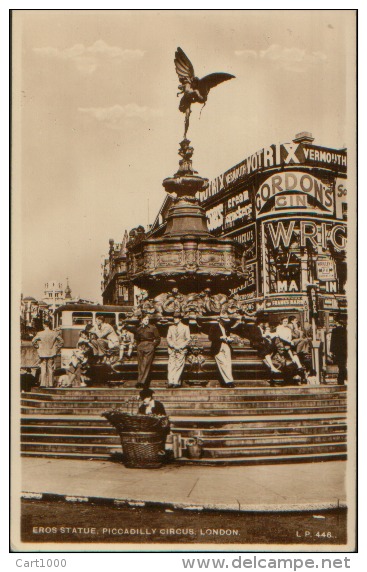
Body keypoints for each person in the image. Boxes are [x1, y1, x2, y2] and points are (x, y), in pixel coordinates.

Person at [32, 321, 63, 388]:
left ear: (44, 325)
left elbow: (33, 341)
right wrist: (57, 348)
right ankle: (51, 384)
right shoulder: (54, 333)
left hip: (42, 353)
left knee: (43, 368)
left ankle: (42, 384)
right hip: (51, 353)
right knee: (50, 368)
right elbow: (61, 341)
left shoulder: (40, 333)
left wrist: (36, 346)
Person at [208, 313, 236, 388]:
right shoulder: (214, 327)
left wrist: (229, 339)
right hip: (217, 347)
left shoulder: (226, 327)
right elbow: (210, 337)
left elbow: (228, 336)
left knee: (228, 364)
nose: (225, 322)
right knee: (223, 363)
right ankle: (229, 381)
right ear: (220, 320)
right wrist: (220, 338)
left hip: (226, 345)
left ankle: (229, 381)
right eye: (224, 321)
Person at [134, 315, 161, 388]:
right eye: (145, 319)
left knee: (146, 364)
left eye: (147, 319)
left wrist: (152, 345)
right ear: (142, 320)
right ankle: (140, 381)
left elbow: (158, 339)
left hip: (149, 346)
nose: (146, 320)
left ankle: (142, 382)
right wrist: (138, 346)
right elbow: (136, 339)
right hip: (140, 347)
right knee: (140, 364)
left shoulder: (153, 328)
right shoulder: (139, 329)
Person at [166, 313, 191, 387]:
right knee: (171, 365)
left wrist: (181, 346)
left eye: (176, 318)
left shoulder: (185, 327)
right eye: (174, 318)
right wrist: (173, 345)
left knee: (179, 365)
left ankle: (176, 381)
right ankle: (171, 381)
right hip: (172, 349)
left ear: (180, 319)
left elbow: (188, 339)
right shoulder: (171, 327)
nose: (175, 319)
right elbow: (168, 338)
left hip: (181, 349)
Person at [330, 317, 347, 385]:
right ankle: (342, 379)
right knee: (343, 365)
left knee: (340, 365)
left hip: (338, 351)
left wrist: (332, 351)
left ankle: (340, 380)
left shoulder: (335, 330)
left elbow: (333, 341)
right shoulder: (345, 330)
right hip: (344, 350)